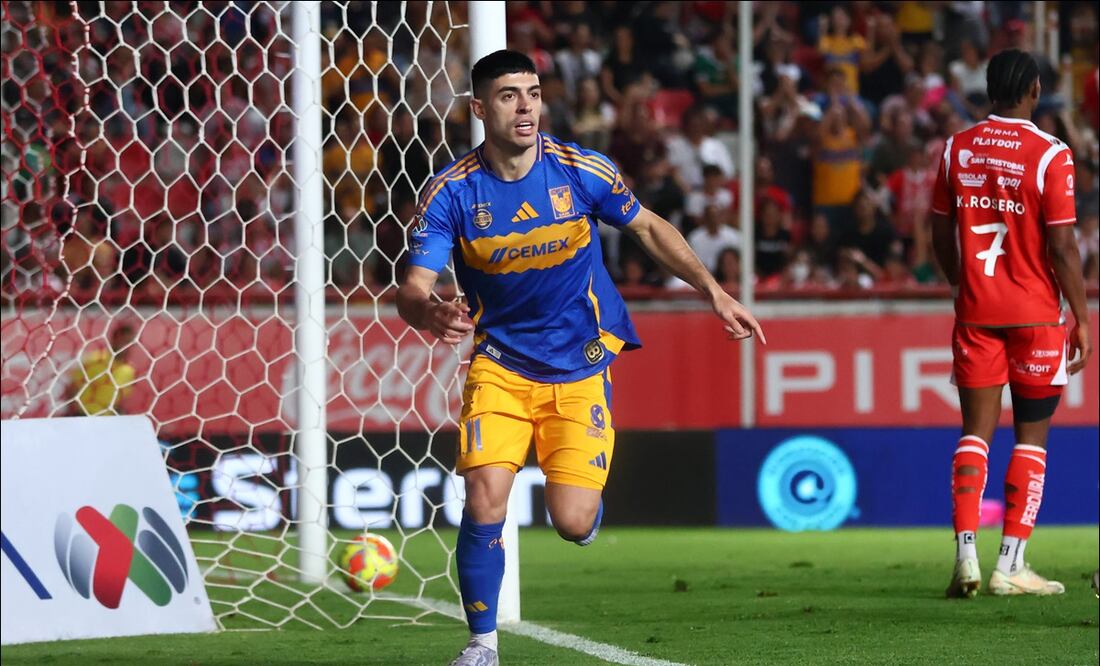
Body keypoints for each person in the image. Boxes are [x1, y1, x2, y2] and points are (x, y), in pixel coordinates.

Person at [396, 50, 764, 666]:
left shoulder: (580, 169)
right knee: (484, 496)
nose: (526, 107)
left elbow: (647, 228)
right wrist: (424, 308)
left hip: (581, 362)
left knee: (571, 521)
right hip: (500, 365)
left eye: (534, 93)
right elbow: (413, 285)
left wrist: (716, 293)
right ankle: (481, 644)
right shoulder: (452, 192)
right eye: (510, 95)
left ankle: (583, 508)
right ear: (480, 108)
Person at [930, 49, 1093, 598]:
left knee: (975, 432)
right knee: (1032, 437)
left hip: (977, 311)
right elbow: (1064, 245)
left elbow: (938, 231)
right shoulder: (1051, 154)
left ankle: (966, 556)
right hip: (1035, 314)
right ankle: (1011, 565)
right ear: (1035, 90)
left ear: (989, 90)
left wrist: (959, 284)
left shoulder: (956, 148)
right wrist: (1082, 316)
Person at [67, 322, 137, 416]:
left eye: (130, 342)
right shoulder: (94, 359)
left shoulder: (129, 370)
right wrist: (74, 410)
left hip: (107, 418)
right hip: (83, 414)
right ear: (114, 339)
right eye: (124, 341)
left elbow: (122, 398)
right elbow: (73, 386)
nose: (126, 346)